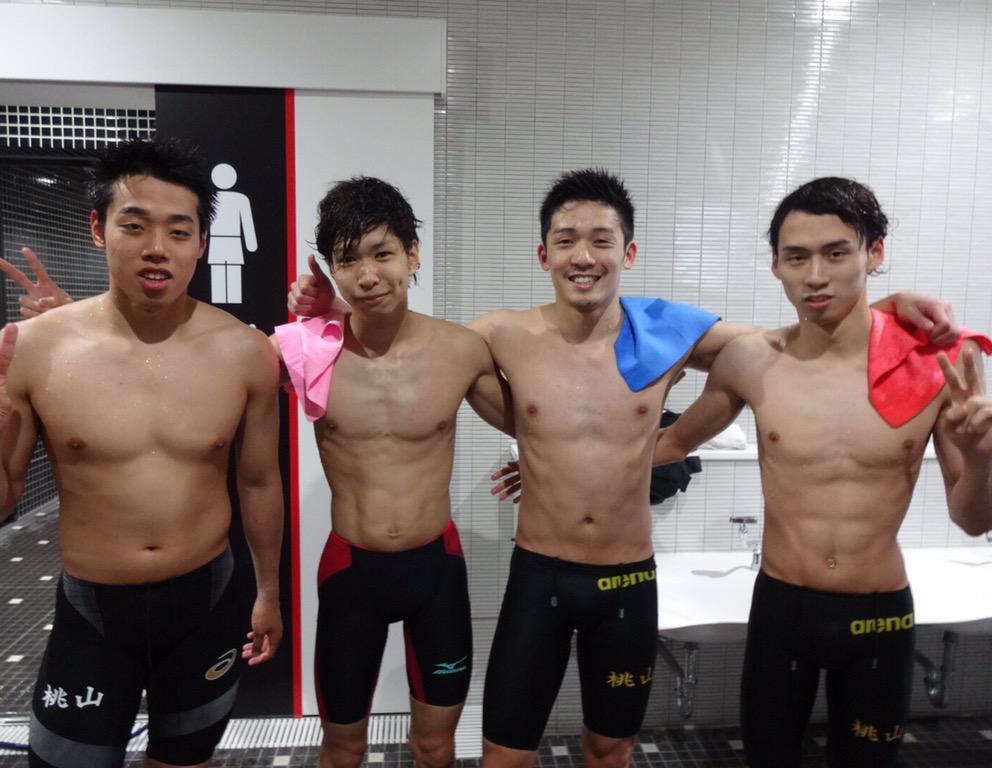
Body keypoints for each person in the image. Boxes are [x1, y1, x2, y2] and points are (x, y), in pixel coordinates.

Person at [290, 169, 958, 768]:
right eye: (566, 241)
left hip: (628, 581)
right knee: (503, 755)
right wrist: (330, 313)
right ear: (543, 254)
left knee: (610, 751)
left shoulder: (665, 333)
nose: (583, 256)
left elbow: (791, 341)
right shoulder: (499, 335)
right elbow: (406, 343)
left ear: (628, 253)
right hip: (538, 576)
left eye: (601, 240)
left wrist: (883, 306)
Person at [654, 177, 992, 767]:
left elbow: (971, 519)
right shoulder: (750, 360)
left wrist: (984, 456)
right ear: (775, 265)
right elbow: (670, 444)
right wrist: (554, 462)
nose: (815, 276)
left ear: (874, 253)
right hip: (782, 608)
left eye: (836, 253)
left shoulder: (937, 364)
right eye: (797, 257)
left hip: (879, 611)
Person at [0, 137, 284, 768]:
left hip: (206, 600)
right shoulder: (32, 348)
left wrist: (268, 592)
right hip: (94, 609)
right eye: (134, 225)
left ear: (202, 242)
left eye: (178, 231)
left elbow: (258, 481)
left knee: (185, 761)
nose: (157, 248)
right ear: (98, 228)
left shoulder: (246, 352)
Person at [275, 177, 511, 768]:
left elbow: (535, 423)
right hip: (350, 574)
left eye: (382, 253)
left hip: (436, 571)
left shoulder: (460, 349)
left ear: (412, 254)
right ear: (331, 270)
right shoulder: (306, 350)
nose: (367, 275)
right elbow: (202, 370)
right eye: (347, 260)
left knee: (435, 747)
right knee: (342, 748)